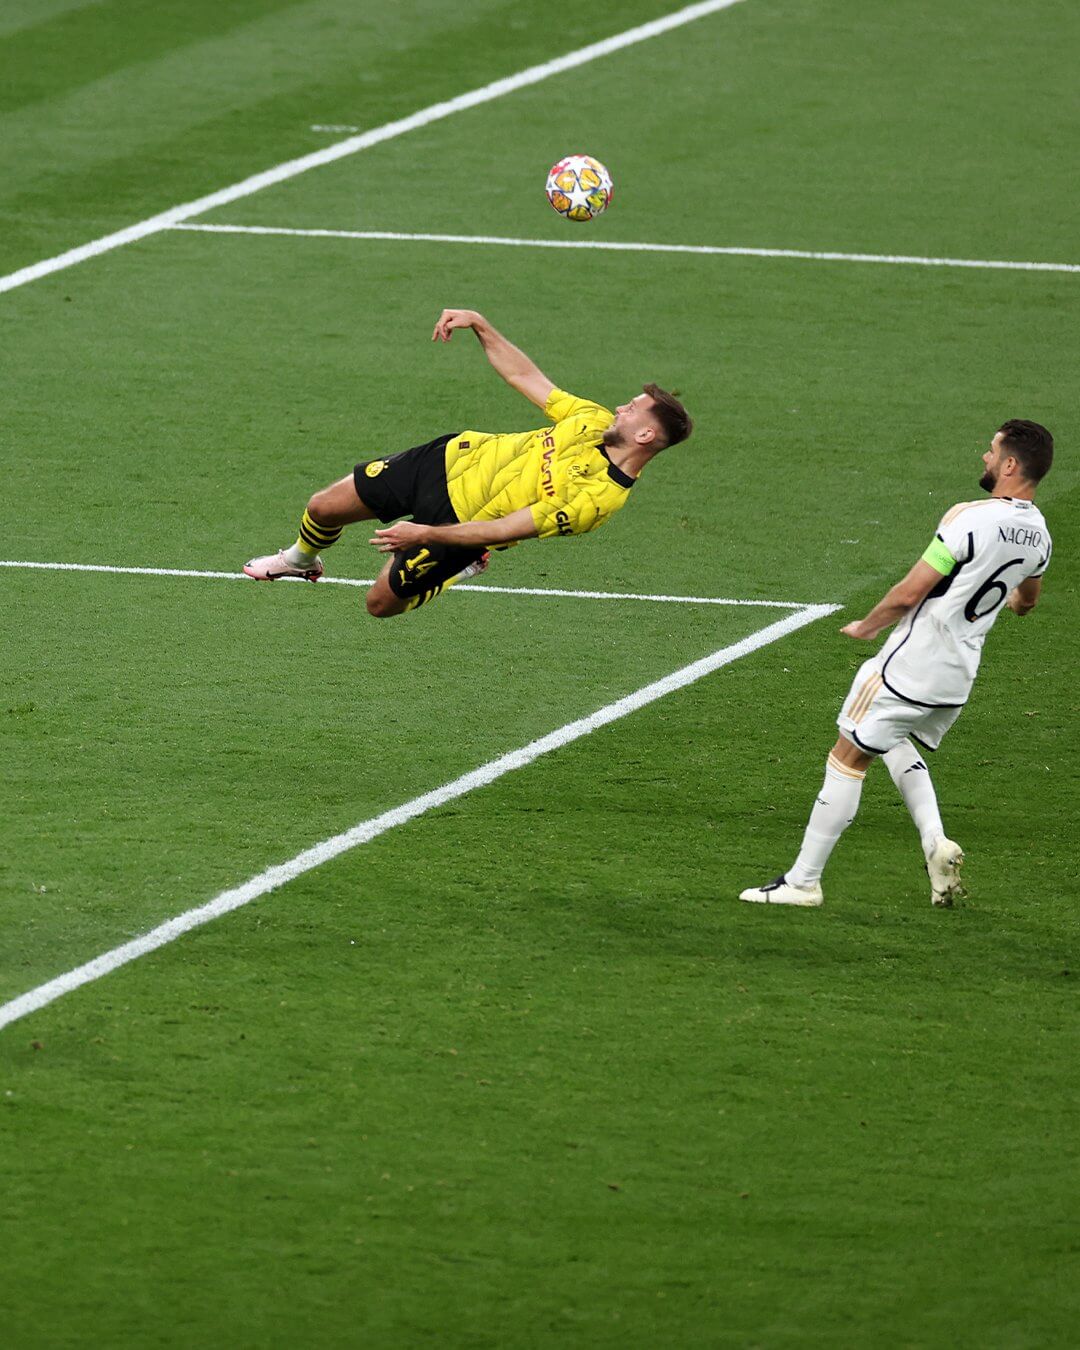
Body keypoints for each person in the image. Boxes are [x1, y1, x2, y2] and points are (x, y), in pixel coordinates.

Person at [740, 419, 1054, 909]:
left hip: (911, 665)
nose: (985, 457)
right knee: (891, 739)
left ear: (1011, 464)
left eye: (992, 451)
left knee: (847, 759)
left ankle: (803, 882)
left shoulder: (968, 518)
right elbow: (1026, 601)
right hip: (957, 677)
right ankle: (935, 843)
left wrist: (868, 625)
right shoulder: (1041, 537)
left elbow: (912, 591)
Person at [243, 309, 693, 616]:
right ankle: (300, 560)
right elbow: (525, 376)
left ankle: (464, 566)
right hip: (449, 459)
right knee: (323, 507)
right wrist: (480, 324)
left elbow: (503, 530)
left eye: (631, 410)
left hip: (461, 524)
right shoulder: (591, 420)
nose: (619, 409)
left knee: (380, 604)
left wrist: (425, 533)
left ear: (645, 436)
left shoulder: (594, 501)